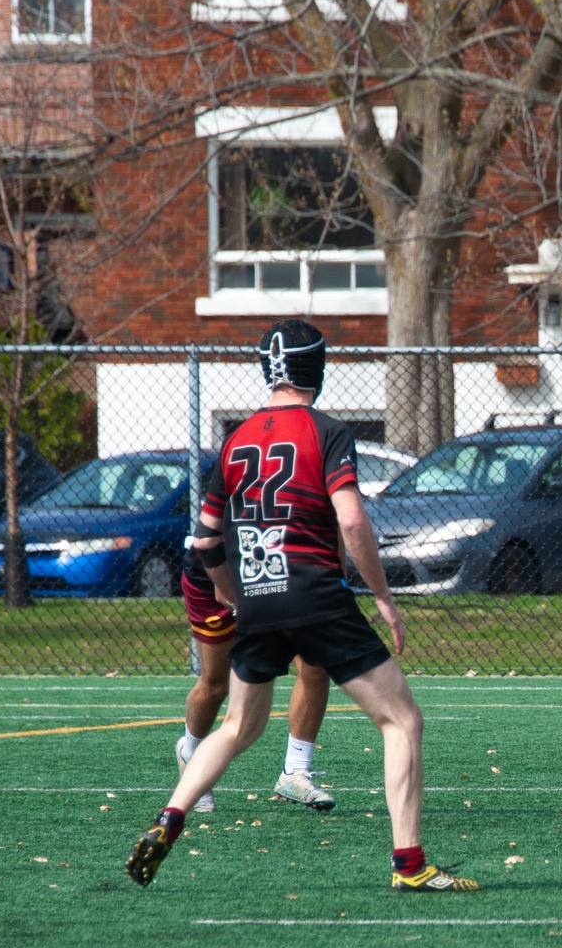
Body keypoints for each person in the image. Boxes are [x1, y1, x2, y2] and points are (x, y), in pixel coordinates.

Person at [127, 319, 475, 893]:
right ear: (318, 368)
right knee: (401, 720)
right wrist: (384, 597)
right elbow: (352, 519)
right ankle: (410, 866)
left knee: (239, 725)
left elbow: (206, 540)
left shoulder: (235, 441)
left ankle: (170, 817)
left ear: (268, 369)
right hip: (315, 594)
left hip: (258, 598)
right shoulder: (328, 431)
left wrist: (233, 596)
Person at [179, 527, 334, 814]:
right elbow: (210, 548)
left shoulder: (315, 486)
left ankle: (295, 770)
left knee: (316, 662)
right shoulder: (235, 485)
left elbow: (335, 529)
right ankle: (190, 753)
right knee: (216, 685)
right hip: (217, 574)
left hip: (277, 573)